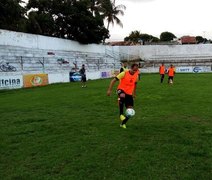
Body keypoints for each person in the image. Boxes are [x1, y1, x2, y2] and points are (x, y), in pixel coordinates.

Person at [107, 64, 139, 129]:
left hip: (129, 93)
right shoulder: (124, 73)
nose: (135, 71)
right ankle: (121, 114)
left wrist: (134, 93)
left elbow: (135, 85)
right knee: (122, 95)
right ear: (131, 68)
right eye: (134, 70)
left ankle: (123, 123)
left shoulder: (136, 75)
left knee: (130, 112)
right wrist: (109, 90)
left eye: (136, 70)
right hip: (121, 90)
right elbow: (113, 80)